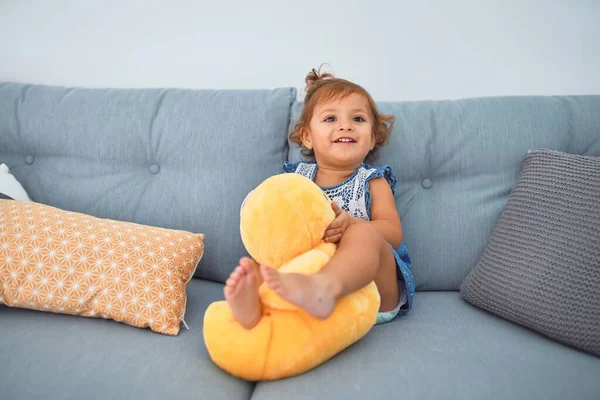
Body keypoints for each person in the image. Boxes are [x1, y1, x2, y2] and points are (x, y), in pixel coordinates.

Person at [225, 67, 415, 330]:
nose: (345, 125)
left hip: (374, 293)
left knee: (364, 236)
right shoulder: (296, 182)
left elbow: (393, 233)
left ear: (372, 138)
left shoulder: (372, 181)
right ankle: (258, 307)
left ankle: (324, 287)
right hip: (311, 297)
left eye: (358, 119)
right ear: (307, 136)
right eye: (330, 119)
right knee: (272, 249)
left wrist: (352, 223)